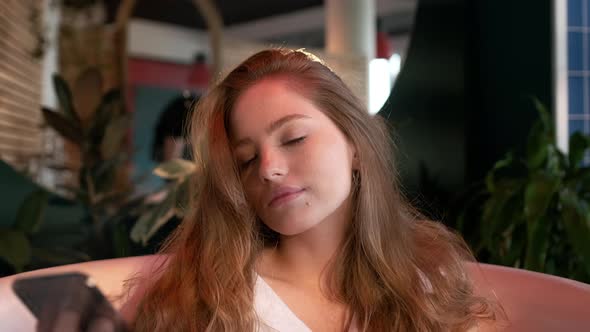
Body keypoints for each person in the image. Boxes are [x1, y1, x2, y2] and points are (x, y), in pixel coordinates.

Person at [40, 48, 501, 331]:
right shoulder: (211, 304)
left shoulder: (428, 283)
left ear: (357, 145)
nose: (269, 169)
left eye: (294, 138)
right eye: (246, 159)